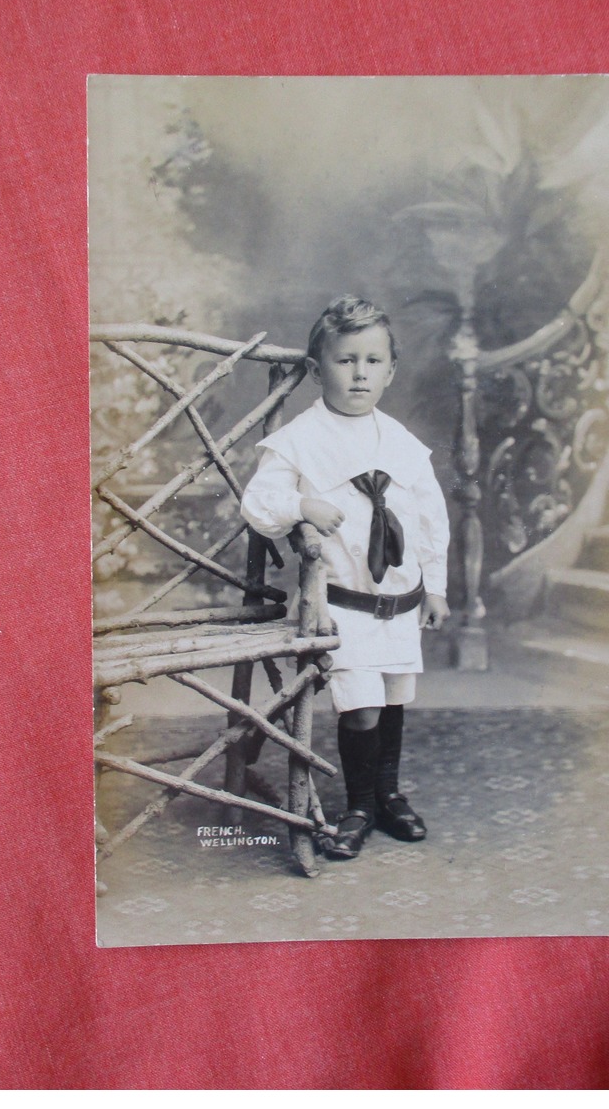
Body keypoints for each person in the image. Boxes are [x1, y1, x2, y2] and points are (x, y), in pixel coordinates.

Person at [241, 295, 451, 860]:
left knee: (392, 698)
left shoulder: (402, 442)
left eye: (373, 361)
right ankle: (358, 803)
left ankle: (387, 794)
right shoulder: (299, 441)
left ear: (390, 371)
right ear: (316, 370)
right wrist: (303, 505)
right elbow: (259, 504)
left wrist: (436, 586)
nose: (360, 373)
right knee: (359, 706)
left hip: (398, 602)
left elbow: (431, 518)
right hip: (342, 603)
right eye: (345, 360)